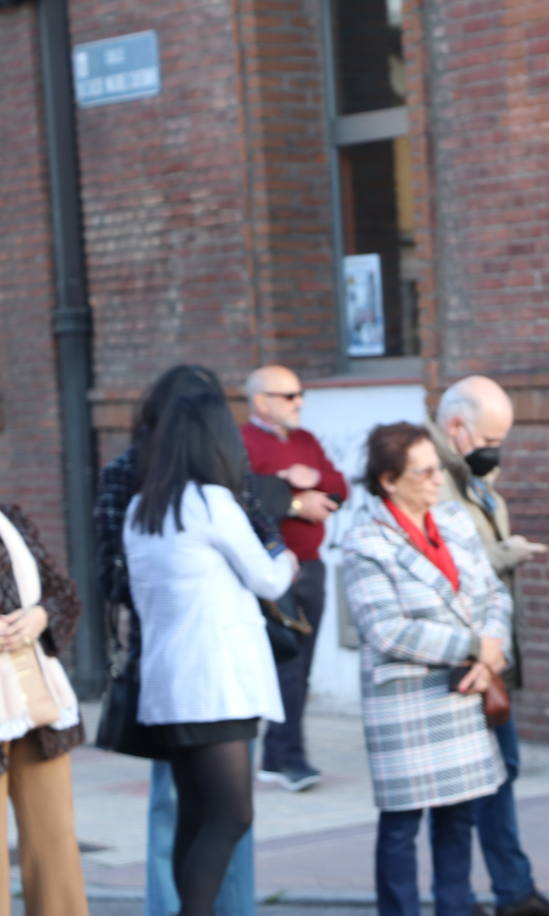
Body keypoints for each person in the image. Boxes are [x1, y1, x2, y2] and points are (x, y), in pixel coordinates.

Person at [95, 365, 273, 916]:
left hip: (188, 669)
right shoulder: (135, 479)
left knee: (207, 813)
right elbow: (116, 575)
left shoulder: (217, 480)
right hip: (195, 667)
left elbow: (257, 524)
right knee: (212, 813)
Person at [341, 422, 510, 916]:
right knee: (401, 825)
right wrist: (476, 645)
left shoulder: (453, 519)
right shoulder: (364, 541)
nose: (440, 479)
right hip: (407, 702)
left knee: (459, 818)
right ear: (390, 480)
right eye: (427, 471)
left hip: (465, 690)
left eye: (439, 468)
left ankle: (454, 909)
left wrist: (492, 649)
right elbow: (386, 631)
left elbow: (494, 593)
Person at [429, 377, 549, 916]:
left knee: (501, 771)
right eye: (492, 436)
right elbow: (446, 564)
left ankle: (513, 890)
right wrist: (504, 553)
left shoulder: (469, 470)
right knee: (469, 789)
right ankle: (480, 897)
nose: (498, 447)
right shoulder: (431, 473)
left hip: (489, 654)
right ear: (456, 427)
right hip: (463, 660)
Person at [241, 364, 349, 791]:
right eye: (288, 396)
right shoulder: (243, 442)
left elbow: (340, 487)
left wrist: (315, 479)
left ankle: (277, 754)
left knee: (300, 666)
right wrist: (294, 498)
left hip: (311, 566)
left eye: (299, 393)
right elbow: (244, 494)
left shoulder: (305, 441)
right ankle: (289, 758)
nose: (298, 402)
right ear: (261, 401)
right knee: (285, 663)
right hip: (273, 571)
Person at [0, 504, 88, 916]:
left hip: (37, 701)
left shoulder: (10, 516)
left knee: (55, 847)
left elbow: (62, 592)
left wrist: (41, 616)